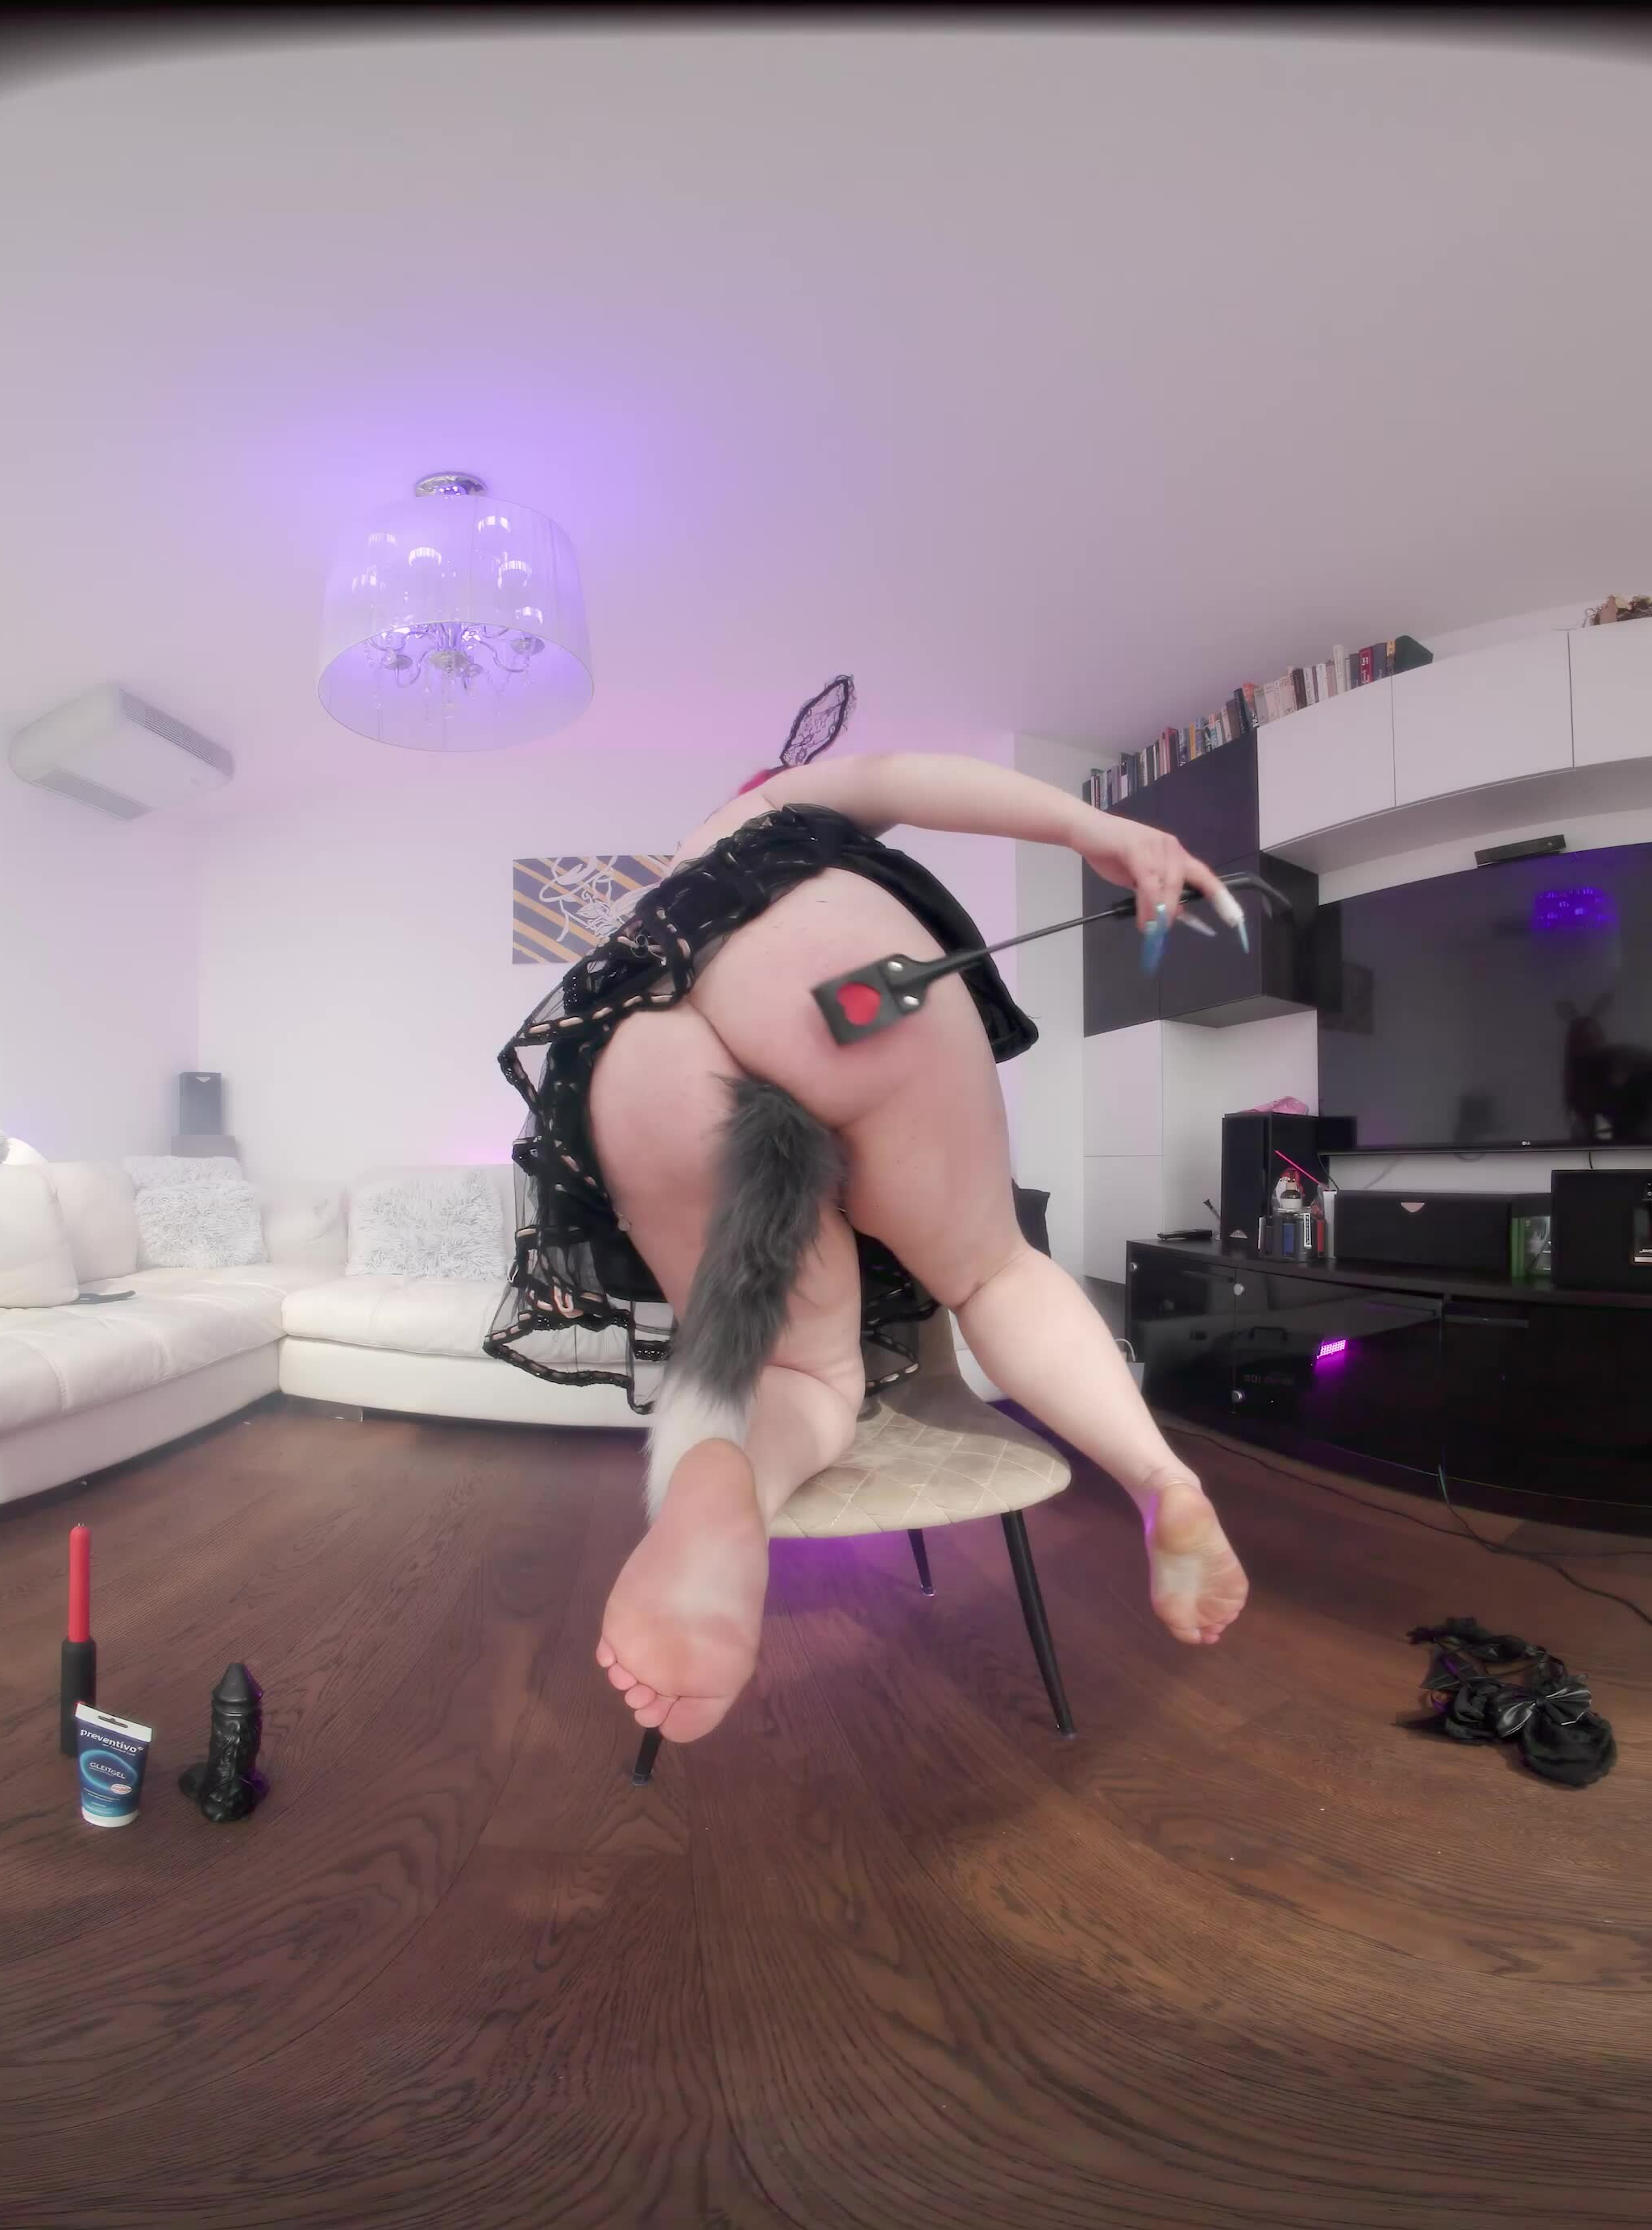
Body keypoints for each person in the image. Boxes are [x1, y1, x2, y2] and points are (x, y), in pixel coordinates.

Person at [490, 680, 1254, 1746]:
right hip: (821, 969)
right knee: (990, 1272)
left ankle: (729, 1494)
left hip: (631, 1041)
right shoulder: (777, 806)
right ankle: (1159, 1481)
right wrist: (1101, 829)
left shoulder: (682, 874)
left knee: (794, 1370)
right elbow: (905, 780)